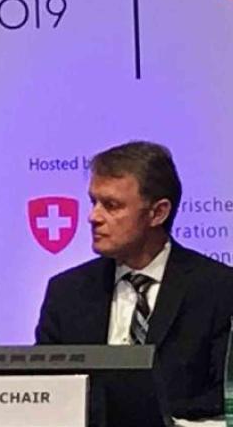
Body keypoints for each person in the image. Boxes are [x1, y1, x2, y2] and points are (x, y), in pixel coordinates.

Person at [36, 141, 233, 420]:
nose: (93, 217)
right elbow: (46, 390)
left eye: (112, 206)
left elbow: (224, 396)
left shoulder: (218, 289)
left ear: (158, 213)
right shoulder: (67, 292)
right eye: (94, 202)